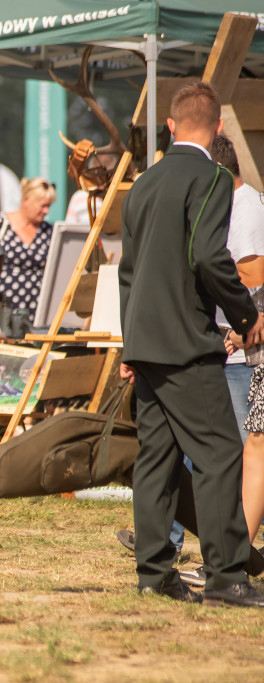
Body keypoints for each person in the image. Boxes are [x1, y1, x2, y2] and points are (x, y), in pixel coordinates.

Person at [118, 81, 264, 607]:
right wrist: (247, 312)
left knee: (156, 459)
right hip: (187, 343)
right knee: (221, 455)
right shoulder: (213, 178)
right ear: (219, 126)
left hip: (147, 344)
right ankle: (227, 577)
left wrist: (128, 344)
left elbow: (127, 274)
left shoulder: (144, 182)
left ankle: (154, 573)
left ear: (171, 126)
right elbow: (208, 257)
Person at [214, 134, 264, 545]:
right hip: (235, 346)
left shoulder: (244, 208)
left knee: (249, 452)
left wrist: (239, 327)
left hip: (243, 351)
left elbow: (252, 276)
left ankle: (238, 547)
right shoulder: (236, 203)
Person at [0, 177, 57, 318]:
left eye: (49, 206)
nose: (46, 211)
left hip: (37, 309)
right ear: (26, 200)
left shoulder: (49, 231)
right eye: (43, 205)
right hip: (3, 306)